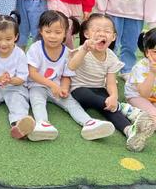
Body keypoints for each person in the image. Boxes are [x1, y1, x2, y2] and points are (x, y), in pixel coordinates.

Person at [69, 13, 155, 152]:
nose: (102, 34)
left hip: (98, 88)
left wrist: (113, 97)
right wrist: (84, 49)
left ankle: (129, 131)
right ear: (86, 34)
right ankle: (129, 111)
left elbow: (110, 83)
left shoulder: (111, 57)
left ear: (114, 37)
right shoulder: (83, 50)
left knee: (110, 106)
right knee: (90, 96)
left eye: (107, 31)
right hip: (79, 88)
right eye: (97, 30)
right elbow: (71, 66)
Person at [27, 10, 115, 141]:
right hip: (36, 85)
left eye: (58, 32)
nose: (52, 36)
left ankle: (89, 123)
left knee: (71, 103)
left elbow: (66, 75)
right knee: (37, 101)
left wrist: (64, 88)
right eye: (48, 31)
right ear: (41, 31)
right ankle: (42, 124)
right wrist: (52, 84)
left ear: (65, 33)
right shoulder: (36, 48)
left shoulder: (68, 52)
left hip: (56, 87)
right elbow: (32, 73)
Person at [125, 29, 156, 122]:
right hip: (137, 96)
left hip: (153, 97)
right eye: (155, 52)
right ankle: (128, 110)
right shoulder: (140, 67)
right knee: (154, 117)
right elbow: (144, 94)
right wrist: (152, 72)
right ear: (147, 52)